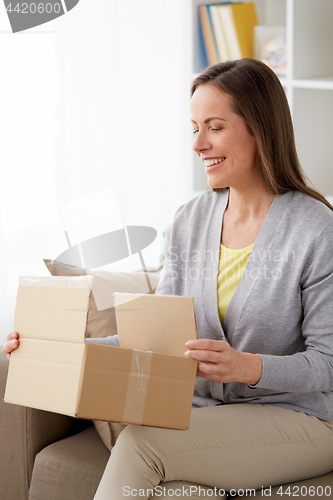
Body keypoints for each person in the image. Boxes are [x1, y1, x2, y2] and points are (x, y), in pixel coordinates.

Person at [3, 59, 333, 499]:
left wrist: (247, 366)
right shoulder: (190, 220)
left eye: (214, 127)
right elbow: (156, 339)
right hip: (205, 412)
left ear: (260, 128)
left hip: (301, 419)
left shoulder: (315, 229)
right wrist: (64, 349)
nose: (198, 144)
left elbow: (328, 363)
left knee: (140, 445)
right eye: (193, 127)